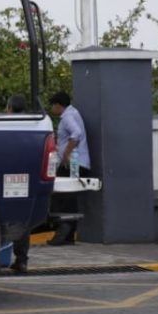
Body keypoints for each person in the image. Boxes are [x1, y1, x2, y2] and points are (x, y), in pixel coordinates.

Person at [48, 90, 90, 245]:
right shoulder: (73, 113)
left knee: (62, 198)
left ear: (59, 105)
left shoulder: (67, 117)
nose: (52, 109)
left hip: (73, 162)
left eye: (53, 106)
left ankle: (63, 235)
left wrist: (66, 154)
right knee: (69, 199)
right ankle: (68, 236)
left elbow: (76, 133)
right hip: (77, 162)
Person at [5, 93, 31, 273]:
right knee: (23, 220)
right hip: (26, 177)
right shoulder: (32, 123)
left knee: (5, 218)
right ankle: (22, 260)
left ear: (10, 109)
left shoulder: (6, 126)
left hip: (9, 178)